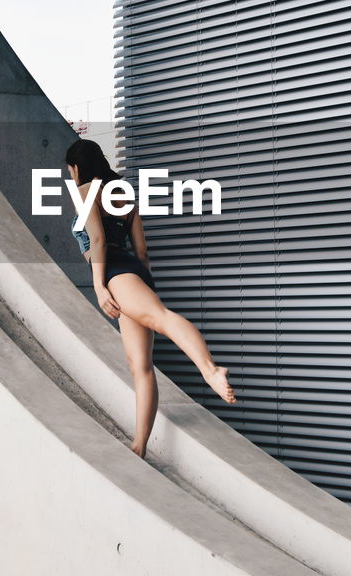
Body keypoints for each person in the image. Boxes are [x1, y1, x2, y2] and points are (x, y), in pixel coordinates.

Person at [65, 138, 235, 459]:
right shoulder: (123, 194)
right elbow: (141, 251)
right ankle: (140, 445)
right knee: (140, 365)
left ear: (76, 168)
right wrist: (145, 283)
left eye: (70, 170)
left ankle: (210, 369)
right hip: (133, 271)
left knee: (160, 319)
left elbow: (98, 241)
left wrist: (101, 287)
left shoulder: (85, 192)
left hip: (115, 271)